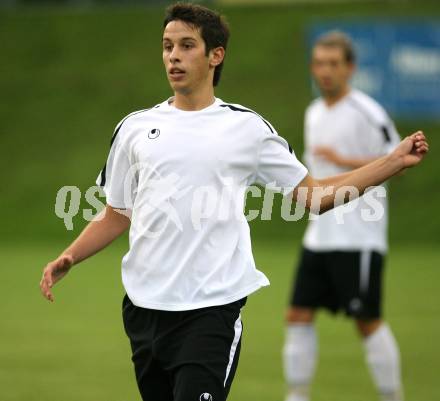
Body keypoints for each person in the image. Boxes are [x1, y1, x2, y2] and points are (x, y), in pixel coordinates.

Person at [40, 4, 428, 401]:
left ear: (215, 55)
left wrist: (392, 162)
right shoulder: (135, 128)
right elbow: (116, 214)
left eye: (187, 45)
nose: (173, 55)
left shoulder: (246, 128)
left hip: (211, 311)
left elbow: (313, 196)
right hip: (143, 310)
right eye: (167, 45)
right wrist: (69, 256)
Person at [283, 31, 407, 401]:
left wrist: (344, 161)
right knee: (297, 315)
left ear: (350, 68)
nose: (325, 71)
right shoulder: (313, 112)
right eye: (319, 63)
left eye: (333, 64)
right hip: (319, 235)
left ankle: (392, 395)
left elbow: (397, 160)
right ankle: (297, 395)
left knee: (366, 321)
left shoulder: (367, 111)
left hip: (359, 236)